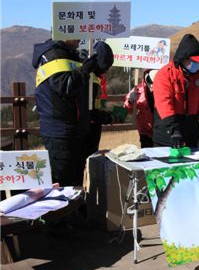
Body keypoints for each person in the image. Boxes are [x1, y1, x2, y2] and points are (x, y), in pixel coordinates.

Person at [33, 39, 112, 186]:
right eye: (77, 35)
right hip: (61, 132)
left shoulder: (70, 55)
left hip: (75, 131)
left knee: (75, 182)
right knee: (64, 185)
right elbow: (66, 86)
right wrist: (85, 69)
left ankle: (78, 208)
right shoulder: (54, 55)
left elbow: (82, 101)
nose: (80, 39)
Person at [153, 34, 199, 148]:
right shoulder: (165, 75)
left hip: (191, 135)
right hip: (167, 136)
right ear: (183, 58)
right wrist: (174, 131)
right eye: (194, 61)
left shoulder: (198, 77)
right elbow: (164, 103)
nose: (197, 65)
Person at [124, 69, 157, 148]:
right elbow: (127, 109)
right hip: (144, 131)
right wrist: (130, 101)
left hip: (160, 131)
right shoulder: (137, 90)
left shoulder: (164, 88)